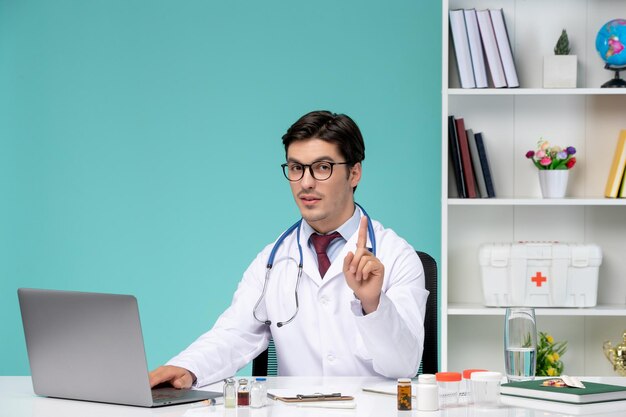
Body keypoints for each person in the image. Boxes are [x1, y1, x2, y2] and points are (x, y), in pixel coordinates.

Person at [149, 110, 428, 388]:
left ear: (354, 173)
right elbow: (234, 334)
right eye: (296, 168)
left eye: (322, 167)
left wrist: (373, 304)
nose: (306, 183)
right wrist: (186, 367)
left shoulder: (396, 256)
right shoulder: (272, 260)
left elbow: (404, 364)